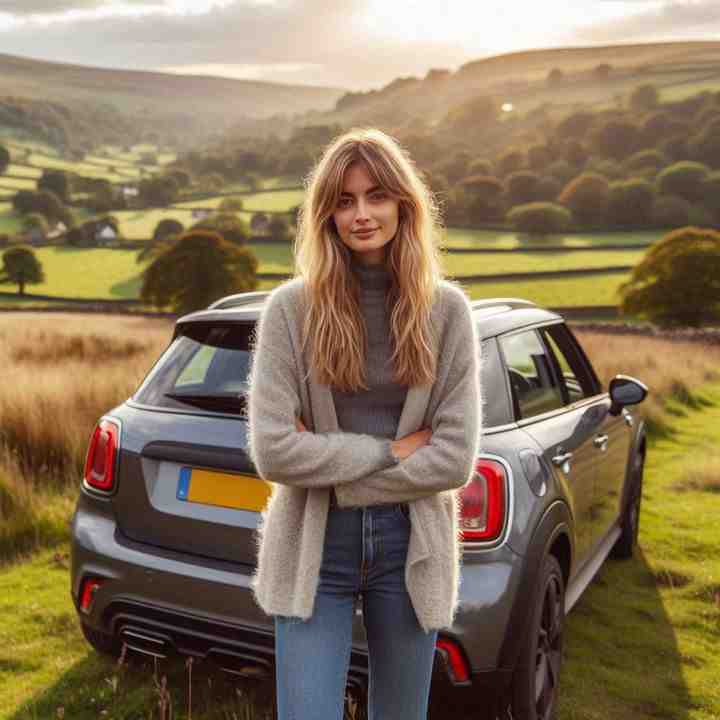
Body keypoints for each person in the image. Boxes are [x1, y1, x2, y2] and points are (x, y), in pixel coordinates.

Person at [246, 127, 482, 720]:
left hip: (411, 545)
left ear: (404, 203)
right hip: (312, 544)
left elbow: (453, 459)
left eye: (376, 196)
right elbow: (274, 452)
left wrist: (329, 463)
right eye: (344, 201)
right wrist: (392, 452)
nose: (361, 214)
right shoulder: (290, 311)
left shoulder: (447, 311)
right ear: (325, 215)